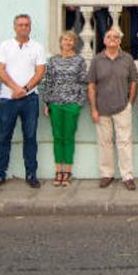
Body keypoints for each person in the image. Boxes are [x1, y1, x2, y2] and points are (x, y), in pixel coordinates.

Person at [0, 14, 47, 189]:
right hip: (8, 99)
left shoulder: (37, 47)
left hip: (30, 99)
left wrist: (25, 90)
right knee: (4, 137)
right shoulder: (5, 46)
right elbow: (0, 70)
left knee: (30, 137)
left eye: (26, 25)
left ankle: (31, 174)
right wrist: (16, 89)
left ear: (30, 27)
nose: (23, 27)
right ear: (14, 27)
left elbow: (40, 72)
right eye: (20, 25)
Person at [88, 28, 138, 190]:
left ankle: (127, 176)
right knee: (105, 143)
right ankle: (107, 174)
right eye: (109, 37)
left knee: (124, 142)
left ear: (119, 41)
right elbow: (91, 86)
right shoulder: (97, 60)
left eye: (116, 37)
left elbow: (133, 82)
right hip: (102, 108)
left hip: (122, 107)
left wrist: (130, 102)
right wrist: (93, 109)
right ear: (104, 41)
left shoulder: (127, 59)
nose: (112, 39)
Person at [41, 31, 87, 188]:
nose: (67, 42)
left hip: (71, 105)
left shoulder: (79, 61)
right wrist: (46, 102)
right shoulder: (53, 61)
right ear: (61, 42)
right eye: (65, 40)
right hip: (56, 104)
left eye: (71, 40)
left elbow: (83, 83)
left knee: (69, 137)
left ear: (74, 43)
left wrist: (78, 103)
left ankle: (67, 171)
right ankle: (58, 171)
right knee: (57, 137)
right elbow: (48, 82)